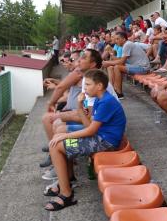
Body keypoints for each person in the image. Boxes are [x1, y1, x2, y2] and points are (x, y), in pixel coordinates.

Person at [44, 69, 126, 211]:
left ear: (99, 86)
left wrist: (65, 135)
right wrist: (80, 106)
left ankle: (66, 194)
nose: (84, 88)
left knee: (56, 145)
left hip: (105, 143)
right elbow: (89, 125)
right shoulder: (101, 100)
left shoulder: (106, 102)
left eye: (87, 84)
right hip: (99, 138)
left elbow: (91, 131)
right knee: (59, 142)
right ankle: (68, 180)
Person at [103, 32, 150, 97]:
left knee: (117, 67)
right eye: (116, 39)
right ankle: (114, 89)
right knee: (113, 67)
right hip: (137, 66)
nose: (116, 41)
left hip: (143, 68)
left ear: (124, 39)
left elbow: (121, 62)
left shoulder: (127, 45)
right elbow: (121, 60)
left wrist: (107, 62)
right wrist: (109, 62)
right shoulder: (126, 45)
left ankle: (119, 93)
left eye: (118, 39)